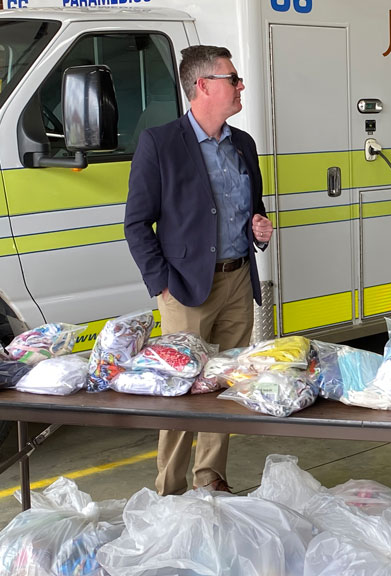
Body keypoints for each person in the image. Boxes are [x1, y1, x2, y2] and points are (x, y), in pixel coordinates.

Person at [124, 45, 273, 495]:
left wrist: (259, 232)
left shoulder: (242, 144)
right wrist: (162, 285)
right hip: (185, 291)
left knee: (221, 388)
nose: (241, 85)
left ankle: (210, 481)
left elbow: (251, 210)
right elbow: (136, 224)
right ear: (203, 86)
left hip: (236, 281)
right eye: (233, 78)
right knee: (180, 392)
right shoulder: (160, 143)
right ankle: (169, 490)